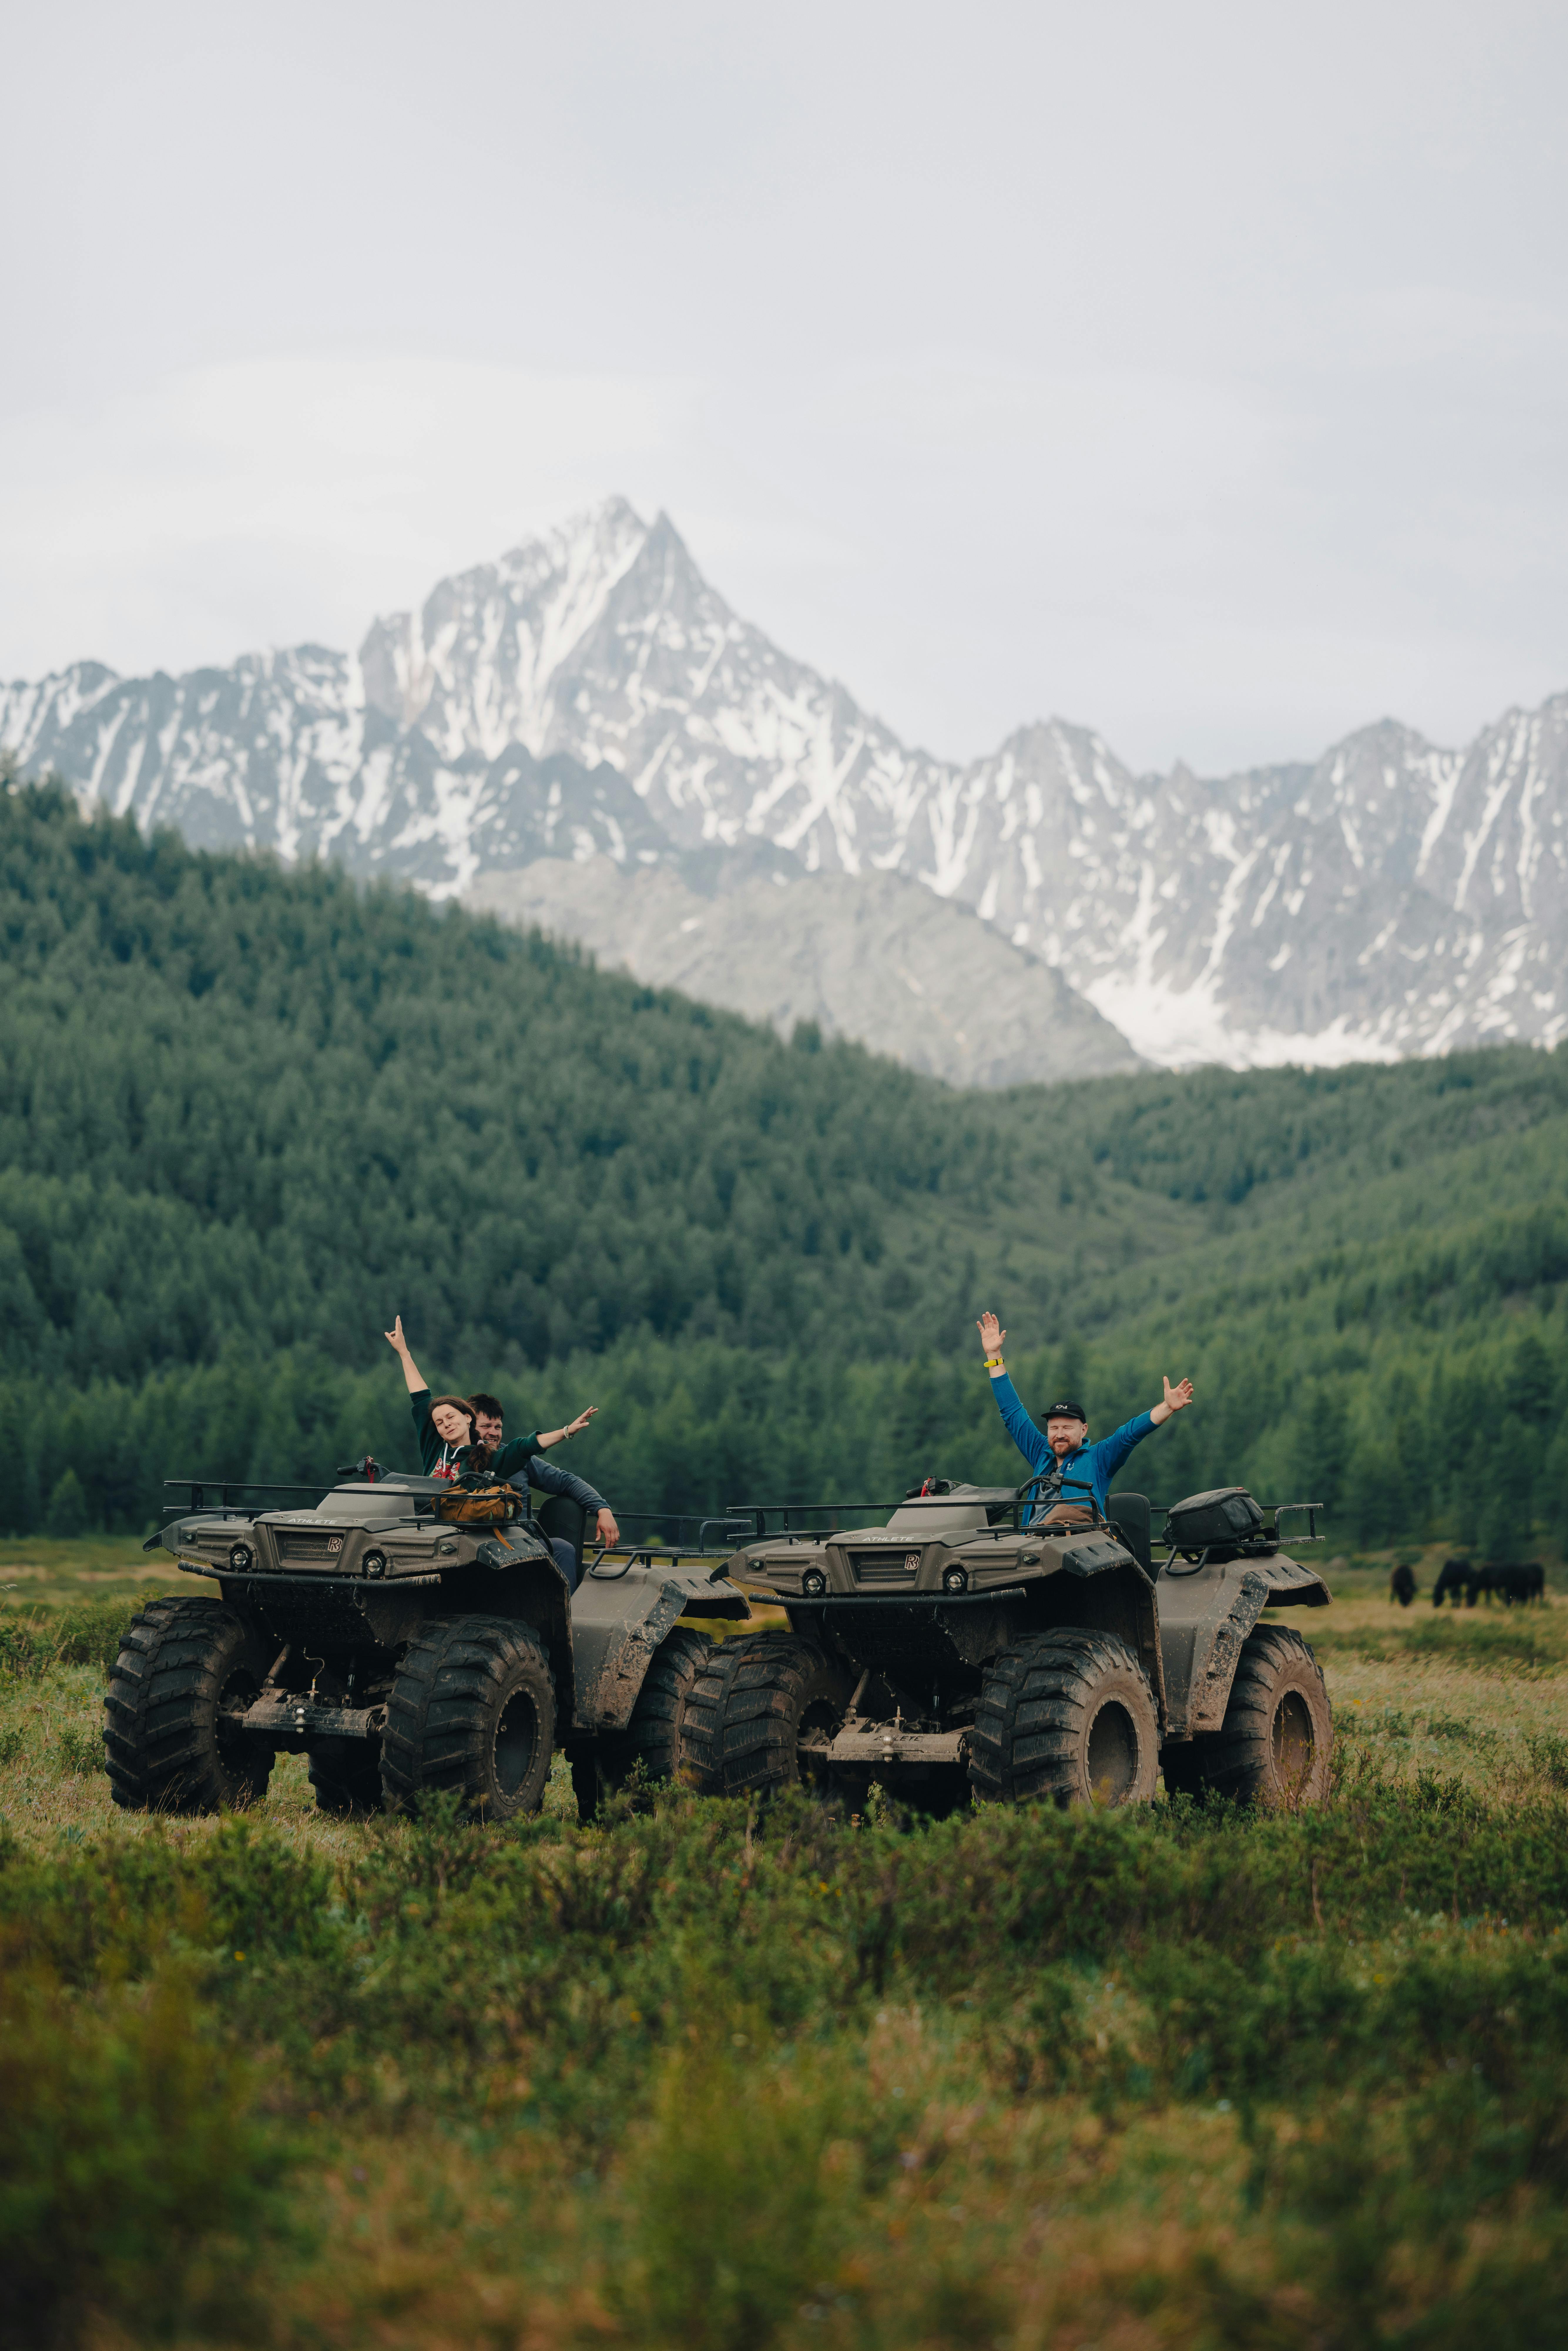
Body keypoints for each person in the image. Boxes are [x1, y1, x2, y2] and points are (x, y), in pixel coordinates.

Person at [974, 1311, 1193, 1527]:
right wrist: (994, 1356)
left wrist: (1167, 1407)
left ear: (1084, 1430)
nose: (1060, 1434)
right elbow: (1012, 1413)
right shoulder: (1041, 1453)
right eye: (1054, 1428)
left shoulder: (1099, 1458)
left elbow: (1129, 1434)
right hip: (1033, 1545)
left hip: (1078, 1543)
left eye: (1068, 1428)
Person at [468, 1392, 621, 1586]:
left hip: (522, 1542)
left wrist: (602, 1509)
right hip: (476, 1543)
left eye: (498, 1427)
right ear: (469, 1427)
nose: (493, 1433)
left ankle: (564, 1605)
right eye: (485, 1426)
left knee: (562, 1549)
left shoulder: (515, 1458)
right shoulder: (457, 1461)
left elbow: (566, 1481)